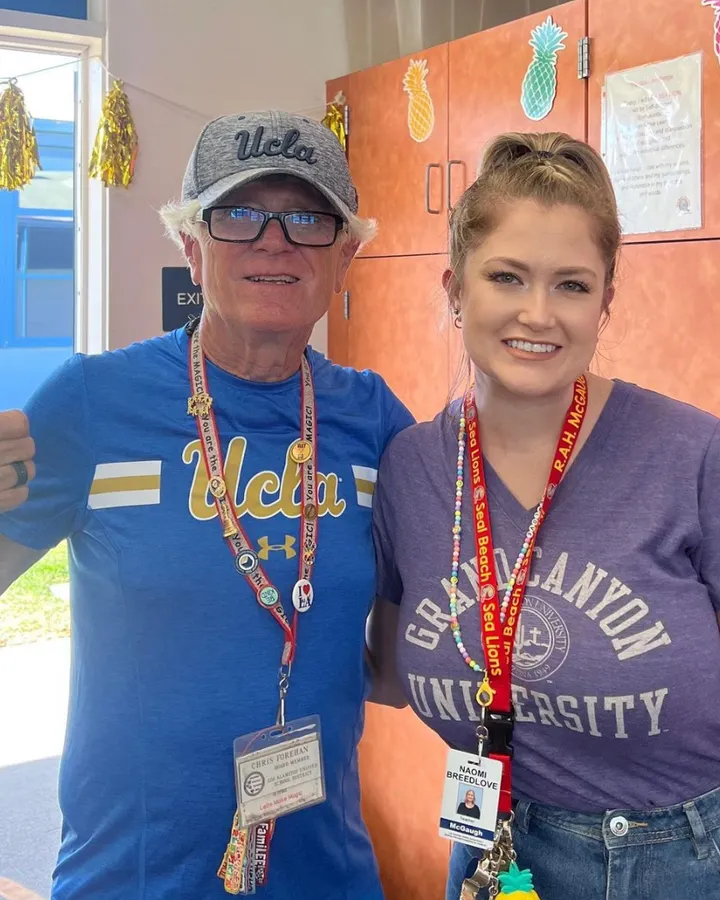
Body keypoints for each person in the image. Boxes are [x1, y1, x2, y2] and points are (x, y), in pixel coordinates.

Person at [0, 110, 414, 900]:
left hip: (327, 878)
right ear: (191, 245)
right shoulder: (93, 402)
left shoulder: (376, 422)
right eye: (237, 214)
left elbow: (404, 664)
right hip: (134, 878)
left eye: (308, 216)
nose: (274, 239)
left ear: (347, 255)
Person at [368, 132, 720, 899]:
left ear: (606, 302)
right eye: (506, 277)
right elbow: (389, 676)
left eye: (571, 285)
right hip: (490, 847)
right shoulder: (412, 472)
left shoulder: (694, 457)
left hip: (676, 863)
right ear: (455, 287)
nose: (538, 313)